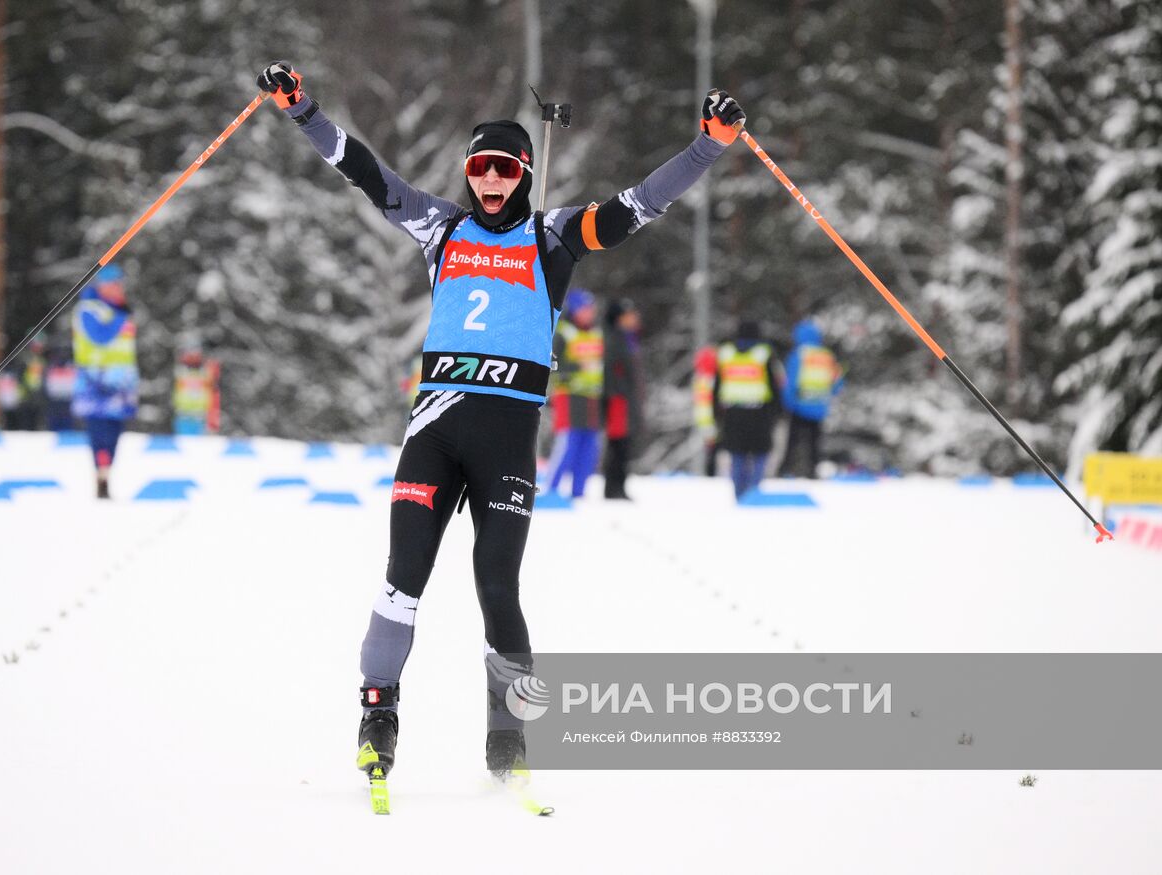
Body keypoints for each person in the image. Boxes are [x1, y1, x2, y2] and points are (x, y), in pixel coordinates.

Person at [255, 61, 746, 793]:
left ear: (522, 173)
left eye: (504, 170)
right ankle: (377, 715)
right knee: (403, 578)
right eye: (480, 168)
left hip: (506, 442)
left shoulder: (554, 239)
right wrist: (303, 111)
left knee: (498, 585)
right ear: (468, 172)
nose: (490, 182)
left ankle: (510, 736)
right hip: (435, 433)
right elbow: (361, 168)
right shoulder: (439, 226)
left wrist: (707, 147)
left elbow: (639, 205)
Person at [72, 264, 138, 499]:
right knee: (99, 433)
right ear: (101, 285)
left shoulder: (121, 309)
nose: (118, 289)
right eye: (113, 284)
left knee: (115, 433)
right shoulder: (89, 309)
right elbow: (100, 337)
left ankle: (106, 473)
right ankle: (100, 474)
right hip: (95, 384)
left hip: (121, 386)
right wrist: (120, 316)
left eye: (120, 284)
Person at [714, 320, 784, 500]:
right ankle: (754, 493)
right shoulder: (763, 354)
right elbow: (774, 385)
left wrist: (716, 412)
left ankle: (739, 494)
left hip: (733, 413)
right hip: (759, 412)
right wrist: (777, 411)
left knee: (737, 455)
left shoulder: (726, 354)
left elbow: (717, 385)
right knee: (760, 453)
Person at [545, 288, 604, 498]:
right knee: (568, 444)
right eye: (585, 309)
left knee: (589, 448)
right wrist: (577, 368)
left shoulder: (596, 332)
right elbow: (551, 363)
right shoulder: (564, 332)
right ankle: (551, 490)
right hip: (569, 396)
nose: (589, 313)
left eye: (591, 309)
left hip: (592, 397)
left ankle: (578, 493)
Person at [778, 319, 843, 478]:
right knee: (814, 442)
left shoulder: (798, 355)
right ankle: (813, 471)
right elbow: (837, 381)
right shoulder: (827, 356)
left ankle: (786, 470)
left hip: (799, 405)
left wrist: (787, 402)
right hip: (819, 405)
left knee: (793, 441)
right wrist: (827, 396)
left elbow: (790, 381)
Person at [602, 297, 644, 499]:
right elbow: (610, 370)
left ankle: (619, 486)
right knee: (618, 445)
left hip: (626, 400)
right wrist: (617, 392)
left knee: (624, 445)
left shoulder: (628, 338)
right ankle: (613, 488)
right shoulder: (614, 339)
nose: (635, 318)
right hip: (618, 401)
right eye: (629, 315)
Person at [172, 347, 220, 435]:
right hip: (183, 413)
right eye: (190, 357)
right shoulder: (181, 373)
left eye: (195, 357)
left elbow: (213, 383)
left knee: (197, 441)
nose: (193, 360)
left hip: (200, 414)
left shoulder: (205, 374)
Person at [692, 345, 720, 476]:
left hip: (704, 420)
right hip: (713, 419)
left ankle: (710, 474)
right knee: (715, 452)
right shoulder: (712, 380)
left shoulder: (699, 379)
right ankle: (712, 474)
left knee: (711, 452)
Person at [43, 347, 78, 432]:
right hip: (55, 400)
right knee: (54, 424)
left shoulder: (72, 366)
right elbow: (46, 383)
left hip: (67, 399)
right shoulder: (51, 366)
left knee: (67, 424)